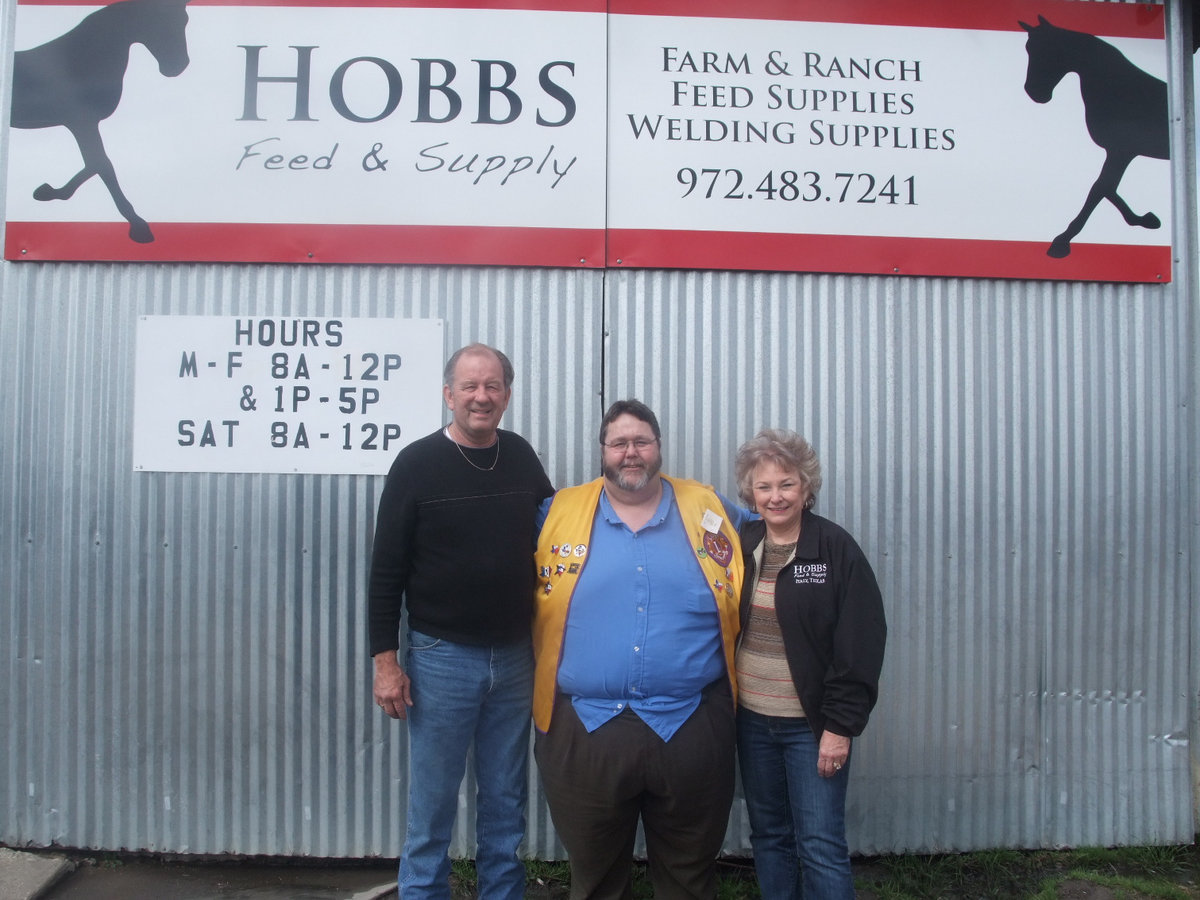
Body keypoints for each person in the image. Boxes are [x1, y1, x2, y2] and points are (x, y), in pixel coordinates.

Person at [532, 399, 751, 900]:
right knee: (595, 879)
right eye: (619, 443)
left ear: (658, 447)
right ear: (603, 451)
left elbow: (777, 538)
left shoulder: (712, 510)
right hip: (584, 731)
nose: (631, 452)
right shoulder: (555, 512)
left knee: (688, 879)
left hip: (692, 726)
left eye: (642, 441)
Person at [368, 343, 554, 900]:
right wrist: (385, 663)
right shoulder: (417, 464)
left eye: (492, 386)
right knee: (433, 801)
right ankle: (422, 892)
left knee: (505, 797)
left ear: (507, 395)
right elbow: (385, 572)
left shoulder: (520, 455)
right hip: (440, 657)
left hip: (515, 658)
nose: (481, 397)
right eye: (470, 386)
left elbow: (555, 536)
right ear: (449, 394)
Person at [732, 429, 886, 900]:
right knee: (770, 837)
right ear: (750, 494)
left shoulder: (835, 550)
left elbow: (860, 644)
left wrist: (840, 727)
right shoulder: (742, 544)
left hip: (812, 728)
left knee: (820, 845)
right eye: (764, 487)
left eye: (786, 485)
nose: (775, 497)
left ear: (806, 489)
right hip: (752, 722)